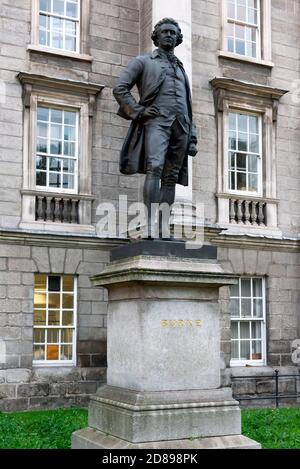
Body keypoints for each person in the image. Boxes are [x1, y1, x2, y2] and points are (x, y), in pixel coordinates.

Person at [113, 17, 198, 238]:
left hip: (181, 126)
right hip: (157, 123)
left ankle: (163, 227)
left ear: (178, 38)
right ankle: (150, 224)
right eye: (164, 32)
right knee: (155, 168)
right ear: (156, 36)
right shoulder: (143, 62)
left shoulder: (181, 69)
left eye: (172, 32)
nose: (169, 35)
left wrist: (193, 134)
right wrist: (139, 111)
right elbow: (120, 88)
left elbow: (188, 104)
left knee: (171, 177)